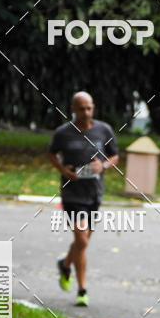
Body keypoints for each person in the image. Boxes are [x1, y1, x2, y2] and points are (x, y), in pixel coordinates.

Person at [49, 92, 119, 306]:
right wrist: (63, 170)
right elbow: (52, 153)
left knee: (83, 241)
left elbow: (115, 155)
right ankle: (82, 290)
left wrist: (103, 165)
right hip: (72, 193)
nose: (86, 113)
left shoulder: (103, 130)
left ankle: (65, 264)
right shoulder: (63, 132)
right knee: (81, 239)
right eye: (81, 109)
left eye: (89, 108)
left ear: (93, 107)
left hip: (94, 193)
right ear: (73, 109)